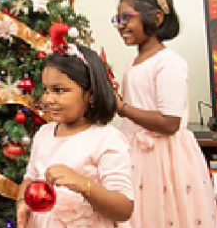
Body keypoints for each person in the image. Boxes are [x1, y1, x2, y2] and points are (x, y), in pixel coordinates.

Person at [112, 0, 217, 228]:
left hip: (162, 161)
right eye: (117, 19)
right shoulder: (132, 64)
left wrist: (122, 108)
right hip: (133, 154)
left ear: (156, 18)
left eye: (126, 18)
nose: (120, 25)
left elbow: (170, 123)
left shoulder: (168, 63)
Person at [17, 24, 134, 228]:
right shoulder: (44, 134)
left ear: (91, 95)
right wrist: (22, 202)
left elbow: (124, 209)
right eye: (46, 90)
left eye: (59, 90)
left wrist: (83, 184)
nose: (48, 99)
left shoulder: (106, 139)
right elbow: (30, 178)